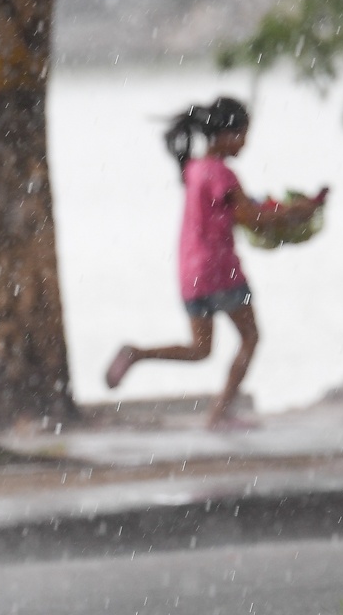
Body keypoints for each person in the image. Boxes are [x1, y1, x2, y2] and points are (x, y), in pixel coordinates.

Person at [103, 97, 325, 429]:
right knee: (251, 338)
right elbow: (253, 220)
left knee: (200, 348)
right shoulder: (223, 174)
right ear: (225, 134)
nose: (245, 142)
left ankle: (137, 353)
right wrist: (299, 212)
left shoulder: (192, 169)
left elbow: (234, 209)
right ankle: (219, 414)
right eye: (242, 134)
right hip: (222, 271)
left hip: (190, 272)